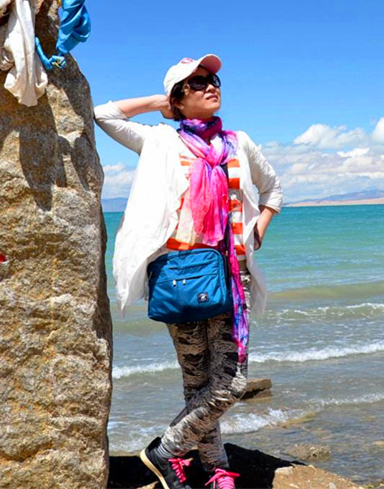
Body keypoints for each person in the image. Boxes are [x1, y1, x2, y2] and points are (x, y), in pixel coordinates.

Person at [94, 54, 283, 489]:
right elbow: (104, 114)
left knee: (230, 384)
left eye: (213, 79)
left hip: (233, 275)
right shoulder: (160, 141)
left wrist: (259, 229)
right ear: (178, 98)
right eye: (197, 83)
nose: (210, 86)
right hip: (179, 274)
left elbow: (274, 188)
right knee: (196, 380)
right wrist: (162, 101)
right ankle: (214, 467)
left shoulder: (239, 143)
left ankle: (163, 452)